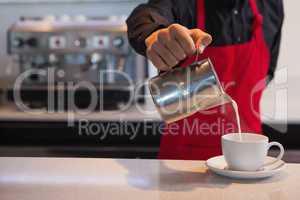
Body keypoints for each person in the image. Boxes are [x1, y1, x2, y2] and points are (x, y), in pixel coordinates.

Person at [126, 0, 284, 160]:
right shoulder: (183, 4)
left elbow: (266, 74)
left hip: (248, 158)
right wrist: (155, 35)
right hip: (183, 162)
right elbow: (143, 16)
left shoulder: (271, 6)